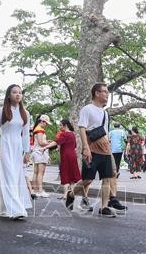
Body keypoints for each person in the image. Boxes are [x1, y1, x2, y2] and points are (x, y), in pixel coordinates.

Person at [66, 83, 126, 217]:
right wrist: (86, 147)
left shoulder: (105, 112)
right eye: (104, 92)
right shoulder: (87, 109)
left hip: (105, 148)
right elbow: (82, 127)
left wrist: (109, 149)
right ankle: (71, 194)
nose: (107, 94)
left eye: (107, 92)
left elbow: (104, 131)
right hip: (92, 148)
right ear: (97, 93)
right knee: (87, 179)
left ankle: (104, 207)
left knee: (107, 178)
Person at [0, 84, 32, 220]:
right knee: (8, 176)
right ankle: (17, 209)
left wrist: (27, 152)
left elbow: (26, 134)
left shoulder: (25, 113)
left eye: (20, 92)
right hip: (5, 146)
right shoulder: (1, 111)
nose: (18, 95)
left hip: (17, 148)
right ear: (9, 95)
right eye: (15, 92)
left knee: (15, 177)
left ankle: (4, 208)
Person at [53, 119, 81, 199]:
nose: (60, 127)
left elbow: (56, 142)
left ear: (65, 125)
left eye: (61, 125)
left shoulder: (64, 134)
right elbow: (75, 146)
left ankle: (65, 194)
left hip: (66, 156)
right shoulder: (72, 134)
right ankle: (71, 193)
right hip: (73, 155)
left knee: (65, 175)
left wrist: (45, 147)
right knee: (73, 175)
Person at [31, 114, 55, 198]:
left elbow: (39, 141)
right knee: (40, 173)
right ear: (42, 121)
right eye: (46, 123)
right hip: (40, 152)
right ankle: (40, 191)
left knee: (36, 172)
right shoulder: (40, 130)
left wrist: (47, 141)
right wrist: (51, 143)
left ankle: (35, 190)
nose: (46, 125)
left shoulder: (36, 129)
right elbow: (41, 143)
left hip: (36, 152)